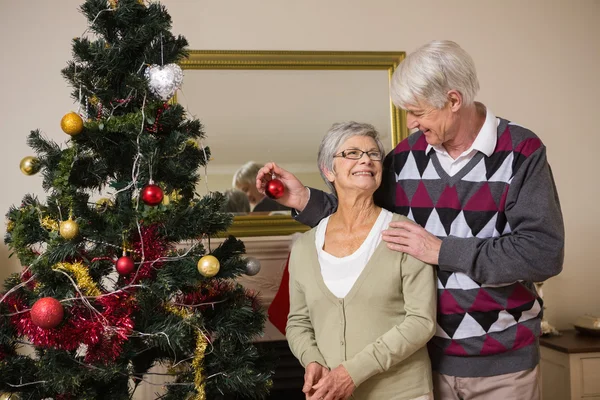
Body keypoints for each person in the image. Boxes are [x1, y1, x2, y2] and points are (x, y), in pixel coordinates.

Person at [257, 40, 564, 400]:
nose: (410, 123)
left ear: (453, 101)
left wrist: (442, 250)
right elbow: (362, 222)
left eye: (417, 112)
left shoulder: (521, 152)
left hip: (501, 363)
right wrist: (302, 199)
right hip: (423, 363)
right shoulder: (404, 159)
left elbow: (544, 252)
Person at [285, 121, 436, 400]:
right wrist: (312, 360)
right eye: (352, 153)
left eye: (373, 154)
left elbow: (421, 322)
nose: (366, 159)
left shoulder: (406, 234)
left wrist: (352, 372)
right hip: (330, 394)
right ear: (328, 170)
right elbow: (298, 322)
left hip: (403, 393)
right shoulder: (305, 247)